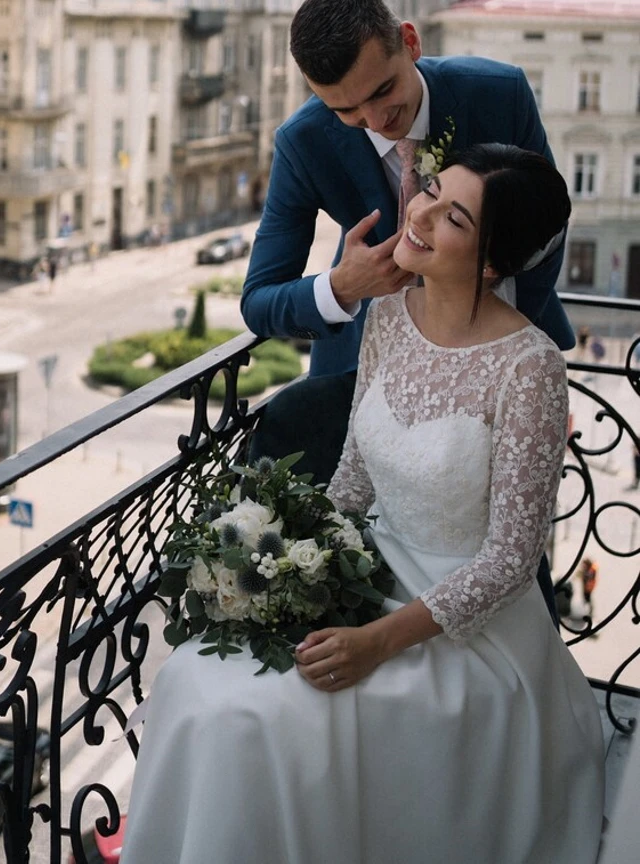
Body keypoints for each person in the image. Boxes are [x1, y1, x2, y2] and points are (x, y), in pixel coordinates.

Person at [120, 145, 604, 864]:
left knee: (265, 712)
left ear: (494, 262)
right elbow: (353, 478)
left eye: (455, 219)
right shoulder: (388, 313)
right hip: (368, 572)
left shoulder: (530, 367)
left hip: (464, 629)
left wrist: (376, 642)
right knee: (196, 673)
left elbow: (511, 561)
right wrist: (285, 567)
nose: (424, 214)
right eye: (432, 191)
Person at [242, 0, 570, 625]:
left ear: (410, 42)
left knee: (516, 552)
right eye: (346, 110)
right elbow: (259, 301)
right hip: (368, 381)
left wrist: (497, 342)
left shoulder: (498, 92)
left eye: (383, 92)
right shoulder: (304, 140)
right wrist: (341, 286)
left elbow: (547, 227)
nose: (374, 119)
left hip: (502, 372)